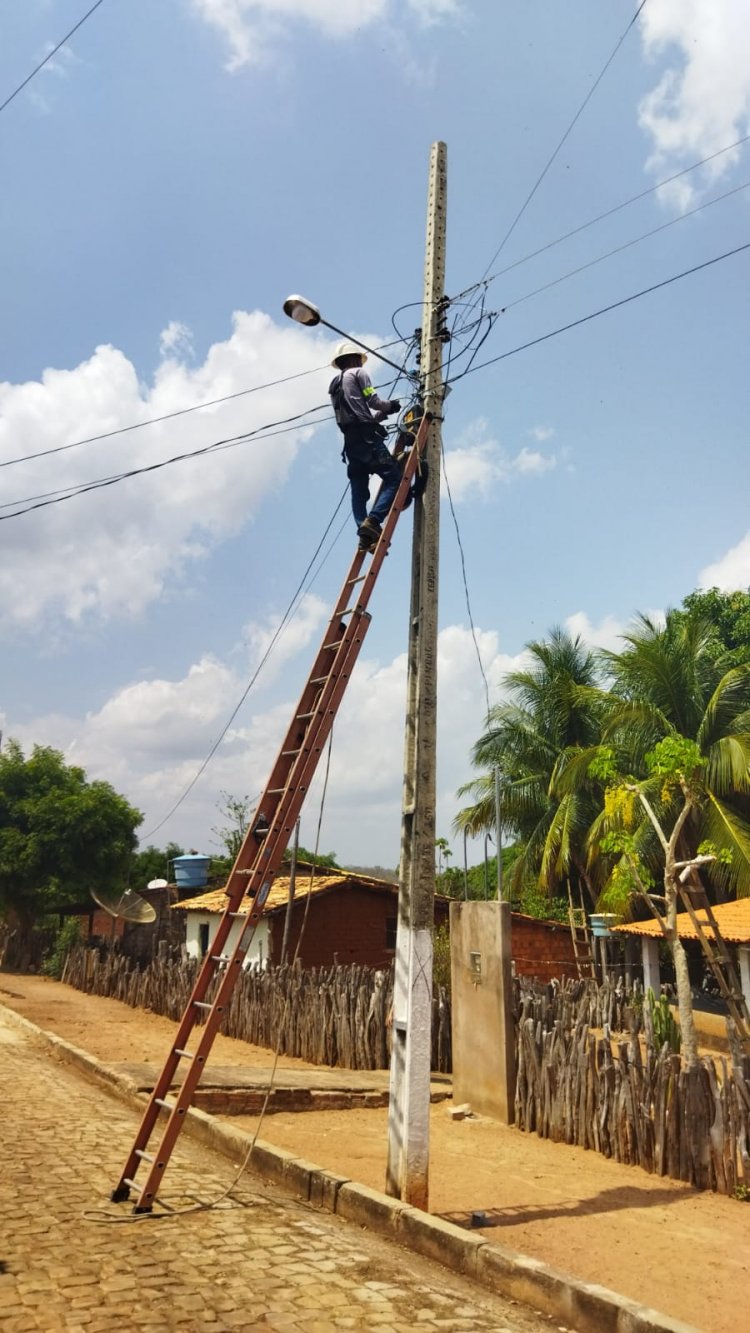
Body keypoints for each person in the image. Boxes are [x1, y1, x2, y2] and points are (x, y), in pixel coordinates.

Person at [328, 341, 402, 551]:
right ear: (354, 359)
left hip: (351, 444)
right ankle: (373, 521)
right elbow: (373, 400)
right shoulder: (360, 373)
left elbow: (358, 413)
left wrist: (383, 415)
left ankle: (364, 530)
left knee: (358, 489)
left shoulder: (335, 385)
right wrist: (391, 406)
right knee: (394, 476)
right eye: (359, 358)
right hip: (367, 439)